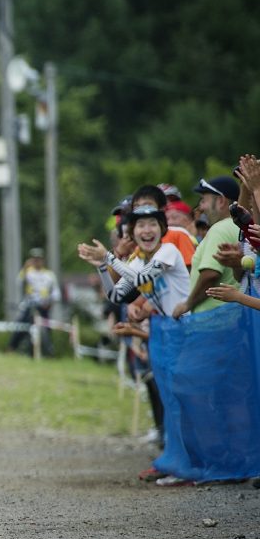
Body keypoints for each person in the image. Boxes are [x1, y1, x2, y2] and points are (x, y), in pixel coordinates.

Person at [78, 204, 190, 478]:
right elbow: (116, 296)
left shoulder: (168, 252)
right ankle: (178, 462)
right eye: (140, 226)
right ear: (133, 232)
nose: (147, 230)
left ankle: (190, 464)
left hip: (188, 332)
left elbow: (140, 279)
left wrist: (109, 257)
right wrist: (104, 266)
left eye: (152, 224)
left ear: (162, 228)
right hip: (168, 335)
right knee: (172, 402)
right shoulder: (138, 260)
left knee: (185, 402)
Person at [172, 176, 241, 319]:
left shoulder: (219, 229)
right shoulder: (240, 227)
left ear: (221, 201)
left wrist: (187, 304)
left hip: (214, 322)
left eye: (204, 200)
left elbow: (210, 274)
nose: (201, 207)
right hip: (232, 317)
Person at [7, 247, 61, 356]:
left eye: (39, 259)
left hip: (44, 306)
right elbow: (18, 282)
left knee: (46, 329)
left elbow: (56, 293)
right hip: (30, 304)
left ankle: (48, 353)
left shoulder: (49, 275)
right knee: (21, 325)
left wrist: (50, 303)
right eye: (34, 259)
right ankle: (11, 349)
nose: (36, 261)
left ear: (43, 260)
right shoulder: (28, 272)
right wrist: (25, 268)